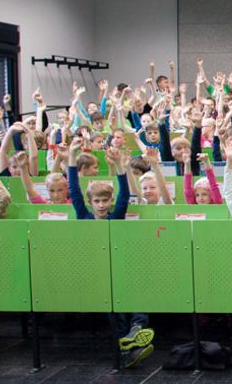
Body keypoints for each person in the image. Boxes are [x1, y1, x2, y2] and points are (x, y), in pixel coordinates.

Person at [67, 141, 154, 367]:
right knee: (111, 303)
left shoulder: (116, 217)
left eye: (105, 200)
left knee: (138, 291)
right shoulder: (84, 218)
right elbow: (74, 189)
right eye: (97, 201)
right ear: (90, 203)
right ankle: (127, 341)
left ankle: (136, 329)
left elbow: (124, 193)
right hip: (97, 274)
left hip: (121, 269)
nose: (102, 205)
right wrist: (71, 156)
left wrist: (118, 166)